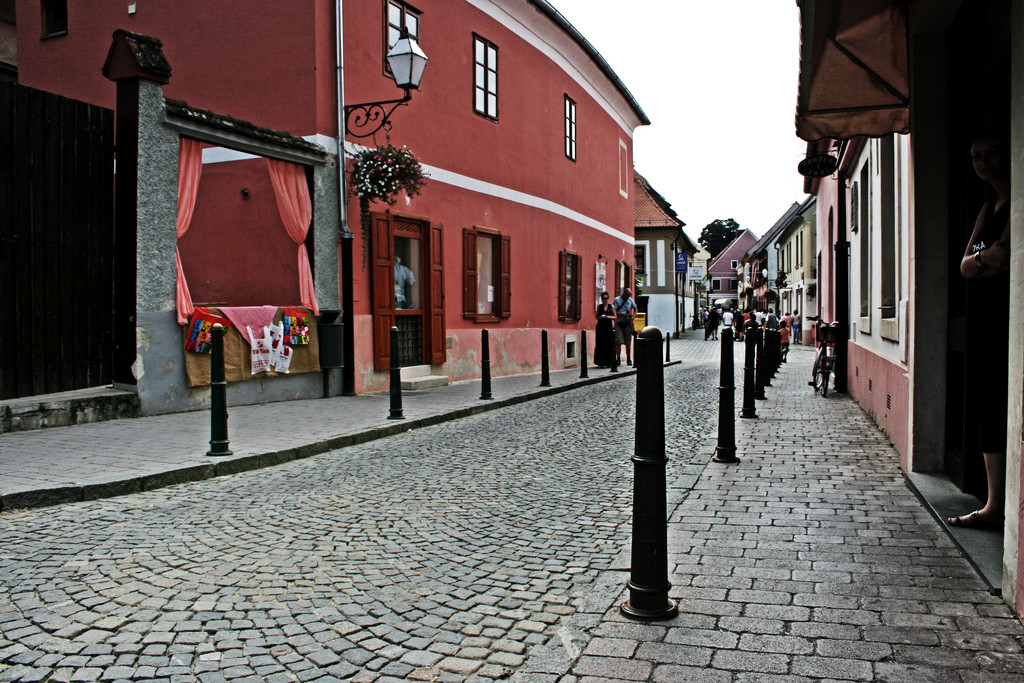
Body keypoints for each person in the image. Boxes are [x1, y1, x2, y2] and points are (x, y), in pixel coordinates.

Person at [948, 131, 1011, 529]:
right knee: (988, 406)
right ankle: (993, 503)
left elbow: (1003, 258)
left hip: (1008, 315)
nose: (983, 162)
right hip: (984, 318)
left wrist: (980, 260)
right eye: (976, 156)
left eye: (990, 154)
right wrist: (983, 259)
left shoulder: (1016, 200)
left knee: (1002, 404)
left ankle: (1000, 504)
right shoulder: (988, 207)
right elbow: (964, 265)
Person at [612, 287, 637, 365]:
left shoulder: (630, 300)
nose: (629, 297)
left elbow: (635, 308)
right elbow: (614, 311)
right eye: (628, 295)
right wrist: (623, 314)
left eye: (630, 295)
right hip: (619, 323)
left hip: (627, 323)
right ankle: (618, 358)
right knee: (618, 342)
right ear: (624, 293)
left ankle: (628, 359)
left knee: (628, 343)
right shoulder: (617, 300)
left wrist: (633, 316)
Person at [594, 292, 616, 367]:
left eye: (606, 298)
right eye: (603, 298)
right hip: (600, 327)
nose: (604, 300)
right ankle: (600, 362)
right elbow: (596, 316)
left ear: (608, 298)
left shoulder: (611, 307)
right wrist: (600, 317)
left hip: (608, 327)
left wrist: (608, 317)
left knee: (609, 344)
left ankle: (609, 361)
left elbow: (615, 317)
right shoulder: (599, 307)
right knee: (600, 344)